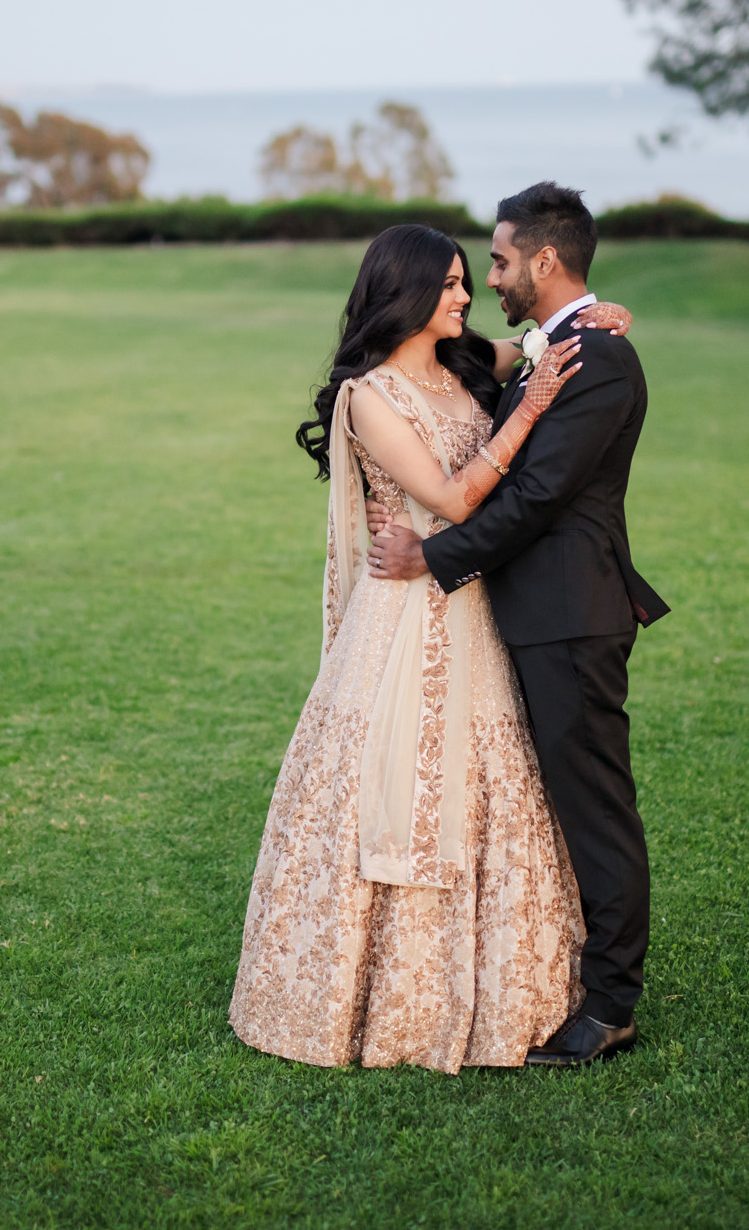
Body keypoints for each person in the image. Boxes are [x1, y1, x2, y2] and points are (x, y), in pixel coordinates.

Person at [228, 222, 634, 1073]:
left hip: (477, 606)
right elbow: (451, 498)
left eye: (472, 274)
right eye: (452, 284)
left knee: (495, 782)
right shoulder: (370, 396)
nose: (467, 293)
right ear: (411, 295)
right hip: (405, 612)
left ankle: (521, 985)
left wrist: (589, 319)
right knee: (394, 785)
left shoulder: (462, 364)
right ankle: (372, 990)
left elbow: (520, 341)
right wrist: (527, 408)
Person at [366, 182, 668, 1067]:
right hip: (532, 614)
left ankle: (611, 1002)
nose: (489, 276)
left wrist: (436, 555)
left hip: (569, 617)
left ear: (543, 259)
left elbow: (538, 496)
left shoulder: (599, 361)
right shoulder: (561, 343)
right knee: (558, 806)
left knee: (596, 809)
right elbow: (487, 356)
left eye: (497, 260)